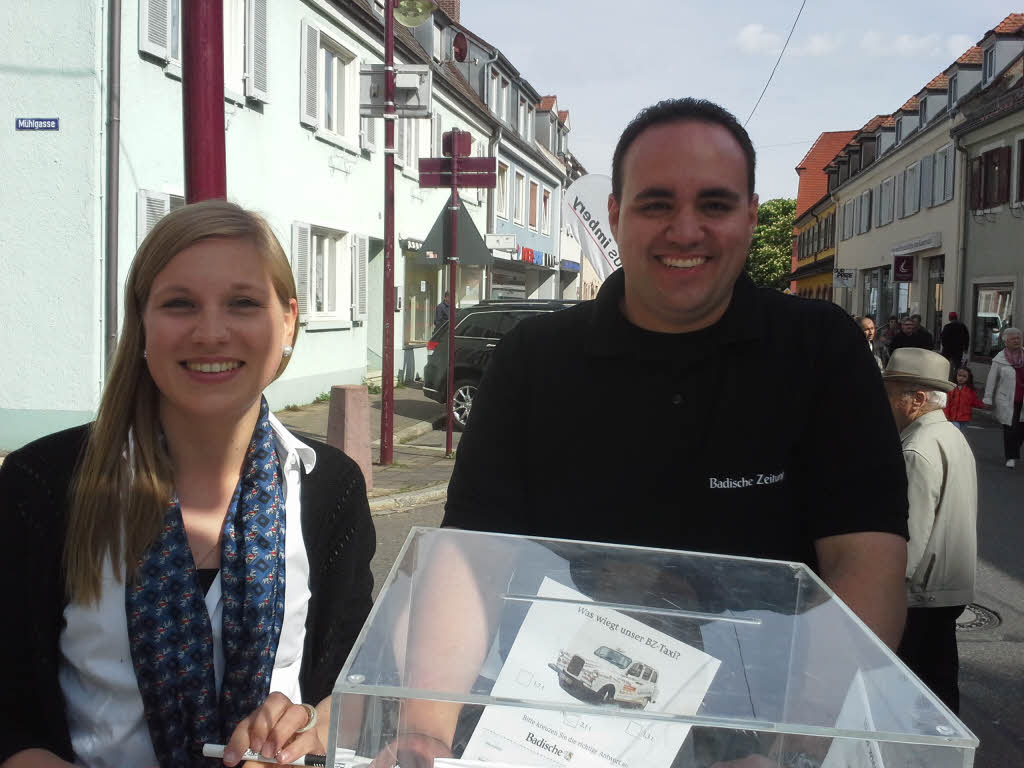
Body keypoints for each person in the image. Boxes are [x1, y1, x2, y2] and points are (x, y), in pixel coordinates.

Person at [443, 98, 909, 650]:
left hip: (772, 713)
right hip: (558, 713)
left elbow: (865, 563)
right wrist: (426, 726)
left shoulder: (821, 348)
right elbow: (470, 562)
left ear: (752, 216)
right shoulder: (533, 357)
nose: (685, 232)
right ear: (615, 216)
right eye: (656, 205)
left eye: (714, 204)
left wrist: (802, 736)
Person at [0, 201, 375, 768]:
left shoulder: (331, 488)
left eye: (243, 303)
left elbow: (353, 679)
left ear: (289, 320)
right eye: (179, 304)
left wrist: (308, 728)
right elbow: (8, 704)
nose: (211, 332)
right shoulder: (45, 483)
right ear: (143, 323)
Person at [882, 348, 977, 713]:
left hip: (922, 592)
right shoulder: (949, 435)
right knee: (939, 681)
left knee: (914, 689)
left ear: (918, 398)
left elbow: (910, 538)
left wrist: (887, 591)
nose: (885, 403)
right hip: (948, 584)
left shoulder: (917, 448)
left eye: (891, 393)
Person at [982, 326, 1024, 468]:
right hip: (1006, 399)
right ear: (1006, 341)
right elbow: (991, 380)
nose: (1016, 341)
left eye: (1018, 338)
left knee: (1021, 429)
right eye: (1013, 338)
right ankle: (1011, 457)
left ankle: (1014, 450)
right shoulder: (999, 359)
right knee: (1010, 429)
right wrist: (987, 398)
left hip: (1022, 399)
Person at [944, 367, 984, 432]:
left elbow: (974, 402)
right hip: (953, 418)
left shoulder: (970, 390)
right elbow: (947, 404)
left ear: (968, 378)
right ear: (956, 376)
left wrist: (983, 405)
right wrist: (947, 417)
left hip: (965, 419)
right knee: (955, 433)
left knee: (960, 436)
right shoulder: (951, 388)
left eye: (964, 376)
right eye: (959, 375)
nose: (961, 378)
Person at [940, 311, 970, 376]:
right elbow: (966, 338)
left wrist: (945, 346)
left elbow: (943, 338)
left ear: (949, 318)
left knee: (946, 365)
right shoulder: (962, 326)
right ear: (956, 318)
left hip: (947, 351)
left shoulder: (947, 327)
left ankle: (947, 378)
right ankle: (955, 378)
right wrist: (965, 348)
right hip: (958, 350)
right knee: (957, 366)